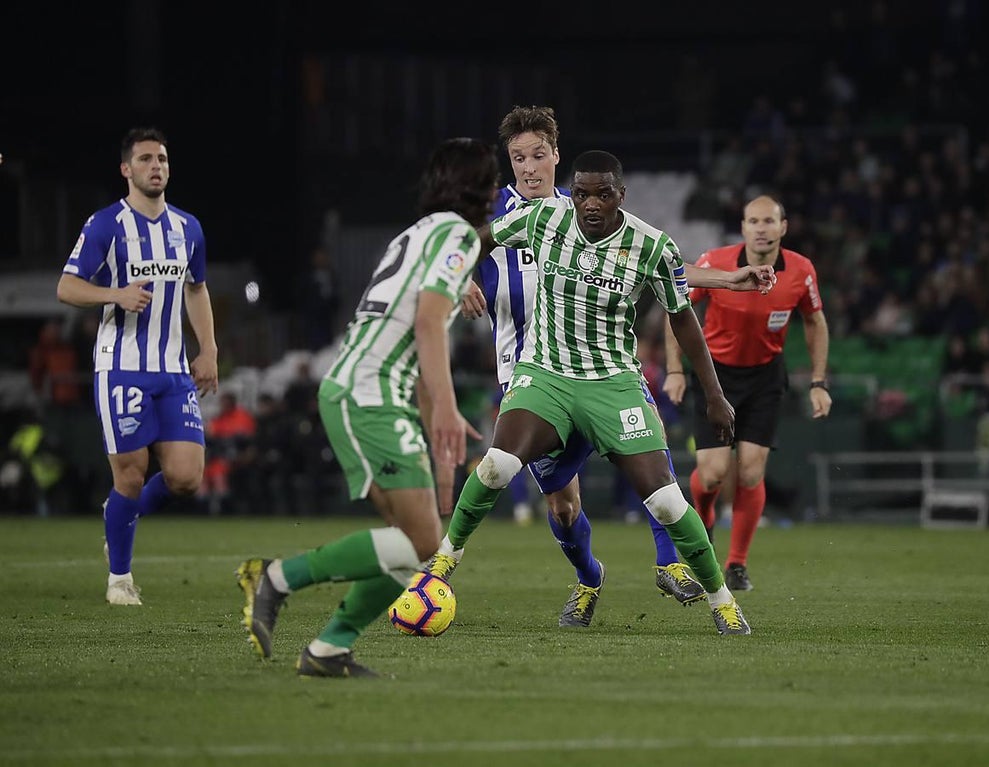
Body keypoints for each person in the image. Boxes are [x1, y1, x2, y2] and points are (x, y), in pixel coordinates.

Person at [429, 149, 765, 635]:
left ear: (620, 196)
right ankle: (444, 559)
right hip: (546, 375)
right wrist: (458, 275)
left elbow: (683, 319)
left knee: (667, 502)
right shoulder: (543, 218)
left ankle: (722, 600)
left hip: (612, 382)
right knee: (498, 466)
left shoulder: (651, 245)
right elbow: (479, 239)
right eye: (582, 193)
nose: (590, 203)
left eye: (602, 194)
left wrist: (713, 394)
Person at [235, 137, 499, 678]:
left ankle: (329, 649)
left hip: (365, 389)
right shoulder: (456, 235)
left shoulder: (417, 234)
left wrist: (438, 450)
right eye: (492, 181)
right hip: (369, 391)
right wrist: (448, 410)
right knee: (422, 543)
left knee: (409, 547)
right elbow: (428, 323)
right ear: (479, 187)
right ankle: (276, 579)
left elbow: (420, 344)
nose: (496, 192)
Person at [457, 105, 713, 619]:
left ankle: (670, 563)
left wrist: (728, 279)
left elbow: (657, 266)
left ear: (556, 154)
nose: (528, 167)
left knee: (652, 449)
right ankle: (589, 577)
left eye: (537, 155)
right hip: (531, 375)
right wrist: (460, 277)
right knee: (563, 505)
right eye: (517, 158)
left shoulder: (584, 206)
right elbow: (450, 249)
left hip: (604, 368)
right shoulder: (493, 211)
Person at [56, 127, 218, 606]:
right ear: (126, 169)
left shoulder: (188, 228)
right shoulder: (106, 225)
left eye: (162, 159)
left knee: (186, 477)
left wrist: (208, 348)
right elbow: (67, 287)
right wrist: (115, 294)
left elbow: (196, 288)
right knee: (130, 473)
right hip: (121, 367)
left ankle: (120, 514)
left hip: (173, 369)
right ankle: (120, 580)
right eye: (146, 159)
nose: (156, 166)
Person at [664, 195, 831, 592]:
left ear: (783, 227)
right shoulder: (716, 262)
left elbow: (815, 322)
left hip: (765, 377)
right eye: (753, 221)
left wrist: (818, 382)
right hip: (716, 375)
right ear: (742, 227)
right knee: (712, 474)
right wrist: (675, 370)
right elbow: (677, 310)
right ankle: (704, 519)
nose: (761, 228)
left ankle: (737, 563)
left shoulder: (801, 271)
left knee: (752, 470)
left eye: (768, 221)